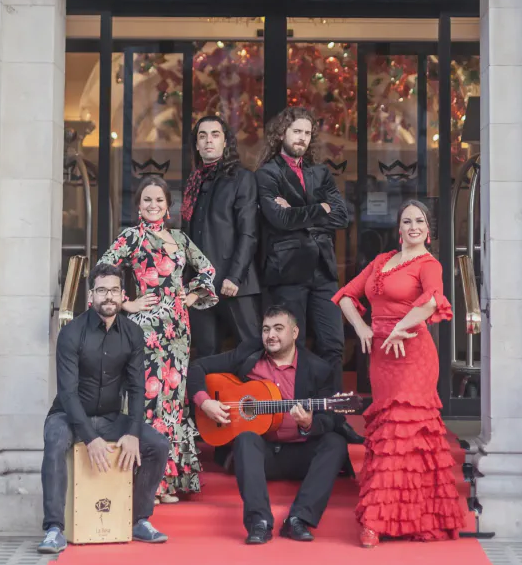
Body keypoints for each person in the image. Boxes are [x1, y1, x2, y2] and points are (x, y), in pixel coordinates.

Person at [333, 198, 463, 547]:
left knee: (405, 435)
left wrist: (399, 327)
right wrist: (361, 327)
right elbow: (346, 295)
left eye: (419, 221)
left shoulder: (429, 263)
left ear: (428, 230)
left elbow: (434, 300)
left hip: (413, 355)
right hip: (382, 357)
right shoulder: (382, 262)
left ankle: (377, 522)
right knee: (388, 436)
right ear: (399, 228)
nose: (413, 226)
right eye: (407, 221)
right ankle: (390, 515)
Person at [189, 306, 356, 545]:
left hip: (300, 454)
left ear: (295, 332)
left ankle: (299, 519)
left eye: (279, 328)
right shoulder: (249, 354)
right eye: (266, 329)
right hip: (261, 455)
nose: (271, 335)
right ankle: (259, 522)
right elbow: (198, 367)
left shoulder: (318, 368)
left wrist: (309, 424)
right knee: (246, 438)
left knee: (335, 443)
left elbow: (334, 418)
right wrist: (205, 403)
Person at [98, 178, 219, 503]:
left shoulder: (179, 238)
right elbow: (102, 270)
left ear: (168, 205)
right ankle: (148, 484)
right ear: (138, 204)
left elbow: (207, 270)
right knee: (148, 400)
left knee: (173, 401)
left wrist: (191, 297)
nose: (153, 205)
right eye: (147, 200)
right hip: (146, 328)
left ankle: (169, 480)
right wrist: (127, 303)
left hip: (179, 329)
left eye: (159, 200)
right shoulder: (131, 236)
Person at [39, 263, 172, 554]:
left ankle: (138, 520)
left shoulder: (133, 334)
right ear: (92, 296)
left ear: (123, 295)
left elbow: (137, 388)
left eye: (113, 290)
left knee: (158, 445)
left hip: (112, 417)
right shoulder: (72, 333)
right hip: (69, 416)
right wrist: (90, 437)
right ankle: (53, 528)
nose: (108, 296)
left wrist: (134, 432)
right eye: (102, 291)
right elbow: (68, 392)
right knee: (55, 439)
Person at [253, 107, 349, 370]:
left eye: (307, 133)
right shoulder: (267, 174)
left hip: (324, 271)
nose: (302, 138)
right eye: (297, 131)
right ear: (282, 133)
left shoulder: (320, 172)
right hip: (288, 270)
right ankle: (296, 410)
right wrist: (321, 209)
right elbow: (279, 220)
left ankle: (329, 410)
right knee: (292, 348)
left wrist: (297, 213)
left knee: (332, 344)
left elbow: (342, 216)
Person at [182, 114, 261, 359]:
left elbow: (249, 233)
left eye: (215, 135)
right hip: (200, 285)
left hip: (234, 283)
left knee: (251, 350)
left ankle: (258, 399)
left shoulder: (241, 178)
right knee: (206, 353)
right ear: (196, 144)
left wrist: (234, 277)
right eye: (202, 136)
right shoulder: (193, 181)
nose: (208, 141)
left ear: (225, 142)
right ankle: (209, 399)